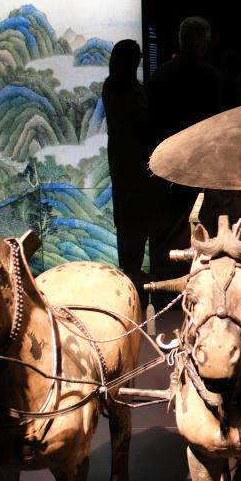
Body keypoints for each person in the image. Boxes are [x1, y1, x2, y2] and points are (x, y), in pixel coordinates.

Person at [148, 16, 222, 269]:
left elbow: (153, 119)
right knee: (201, 217)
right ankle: (200, 269)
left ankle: (164, 270)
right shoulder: (210, 76)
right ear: (202, 42)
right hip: (202, 158)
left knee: (167, 220)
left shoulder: (161, 75)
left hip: (167, 157)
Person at [101, 39, 154, 298]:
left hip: (119, 161)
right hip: (138, 163)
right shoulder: (134, 93)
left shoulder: (109, 88)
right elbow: (144, 128)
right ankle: (134, 271)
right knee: (139, 218)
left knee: (124, 218)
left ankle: (129, 269)